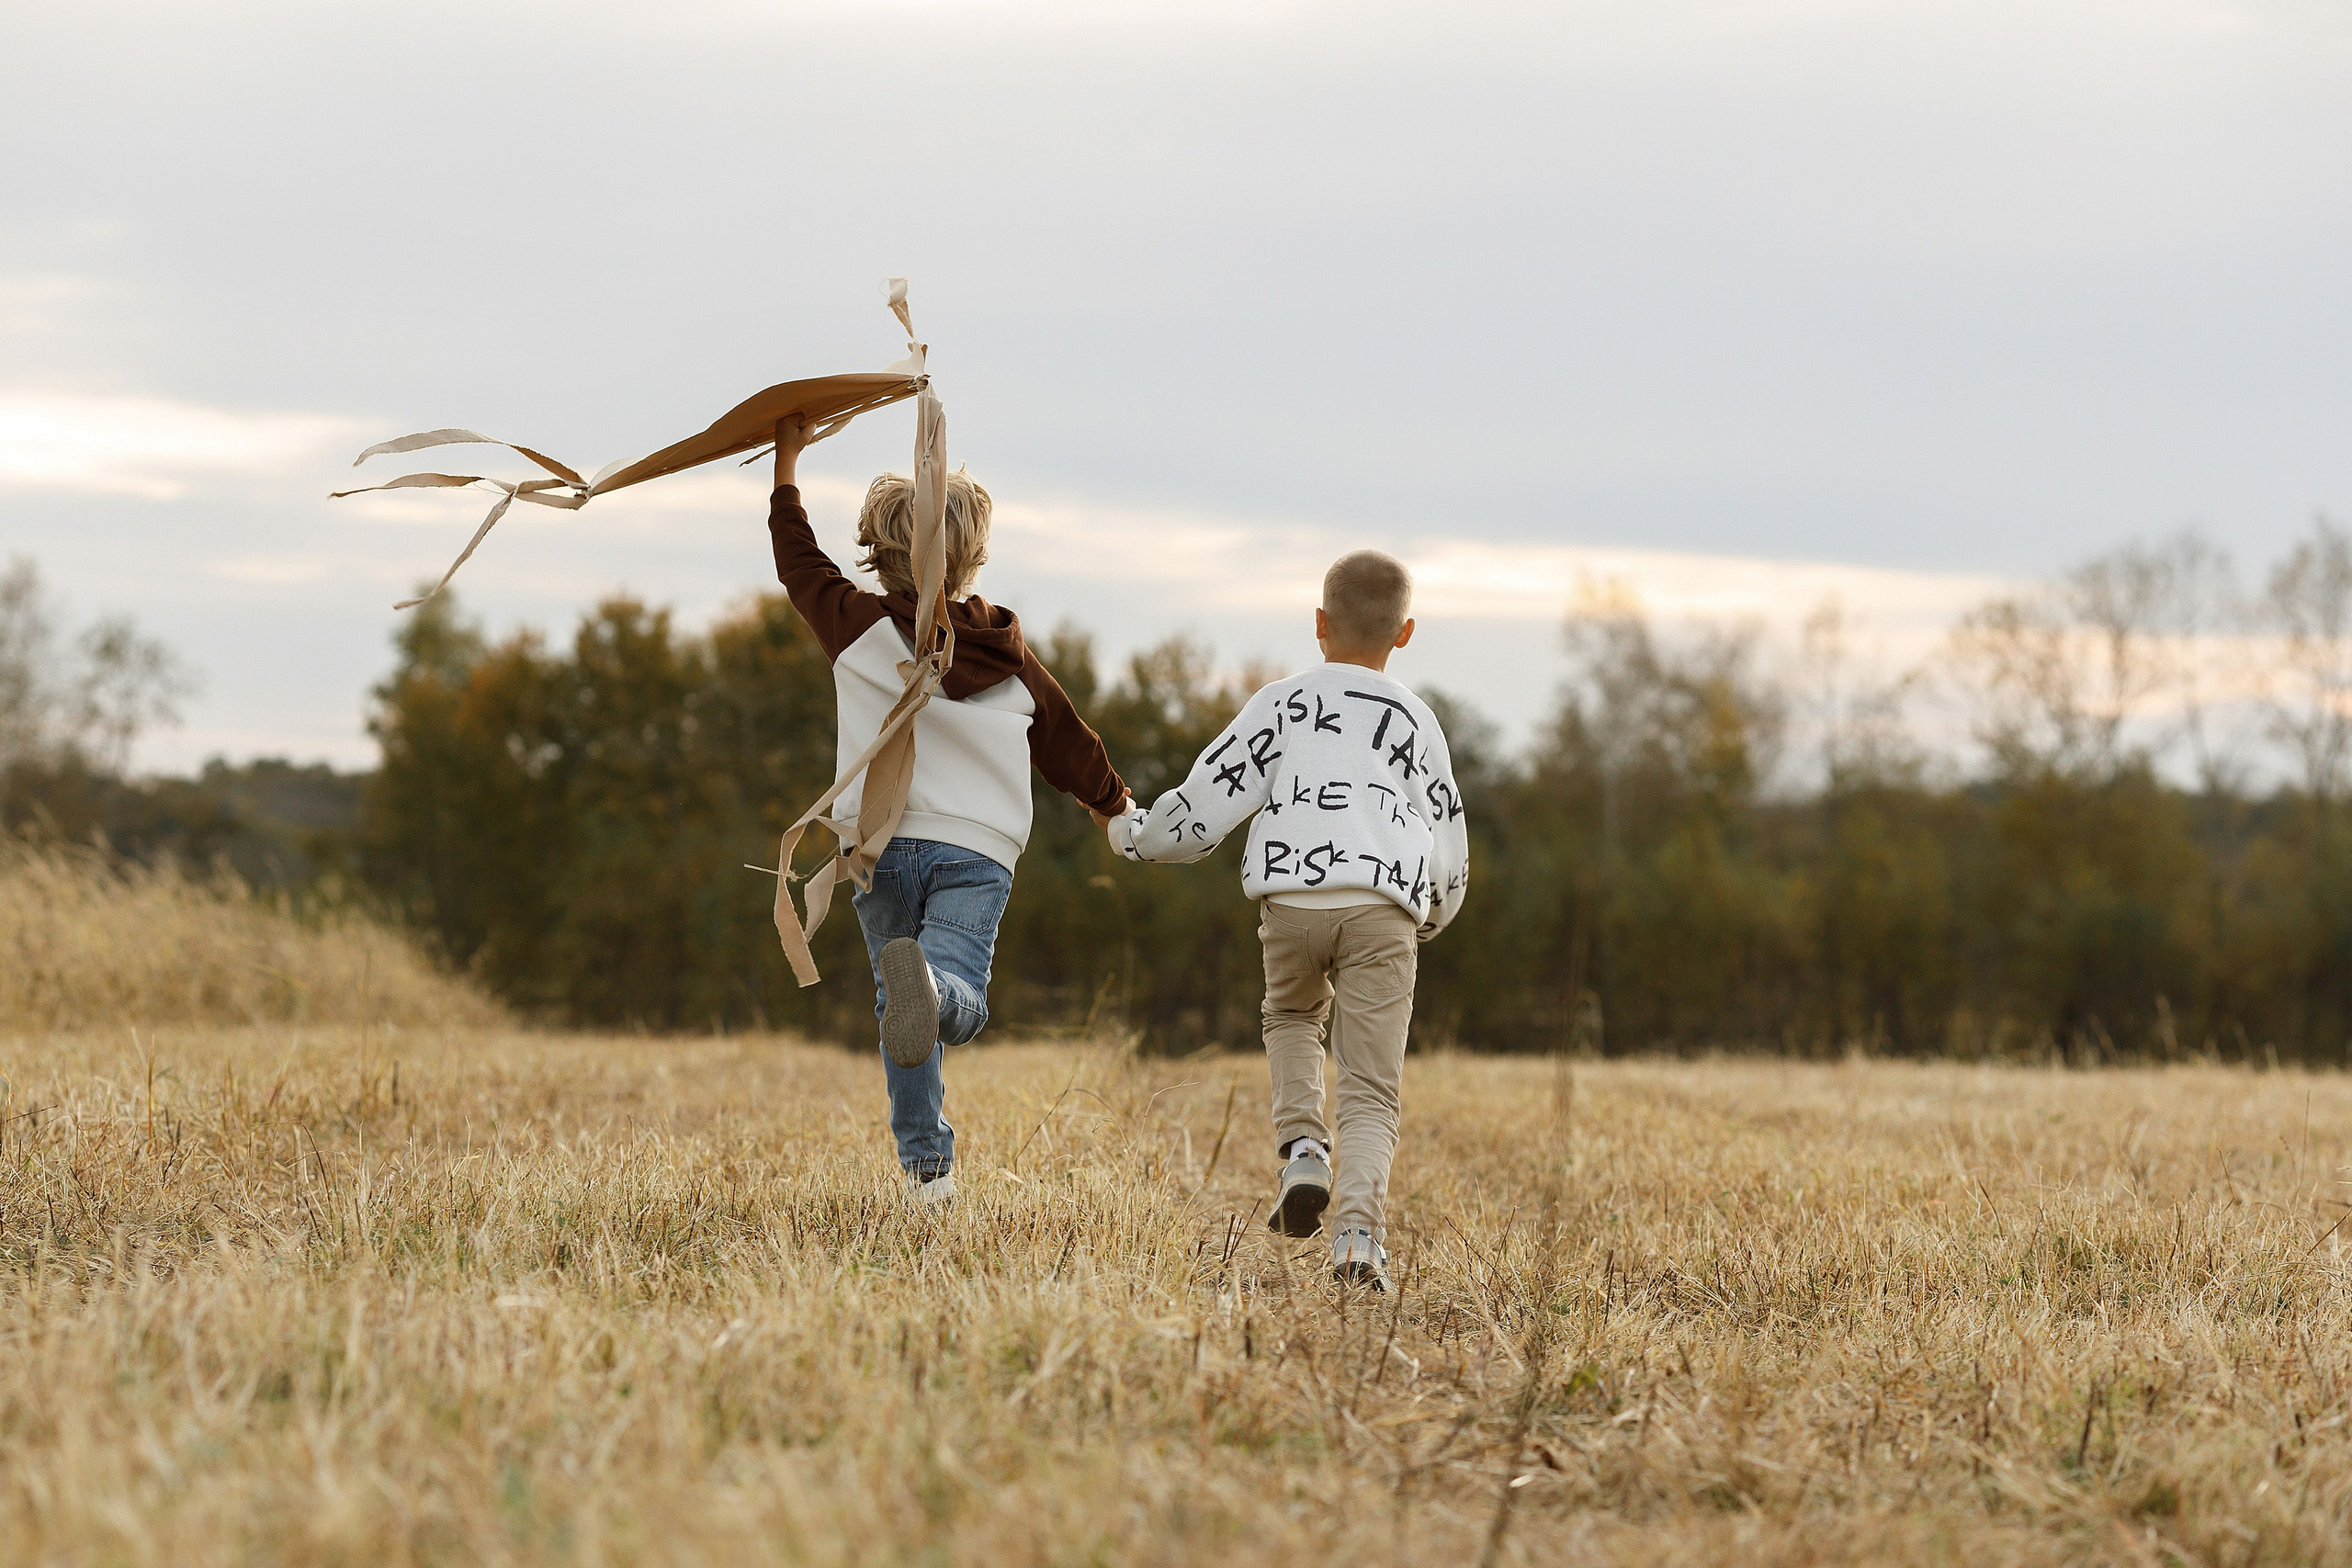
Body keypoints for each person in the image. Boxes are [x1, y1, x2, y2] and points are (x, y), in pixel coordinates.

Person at [767, 416, 1132, 1207]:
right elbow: (1068, 739)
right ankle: (935, 988)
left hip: (880, 846)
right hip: (976, 848)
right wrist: (1114, 804)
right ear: (973, 553)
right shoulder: (1007, 652)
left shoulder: (858, 626)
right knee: (947, 993)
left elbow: (797, 561)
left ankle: (928, 1173)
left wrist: (787, 462)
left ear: (874, 548)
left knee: (902, 1007)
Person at [1098, 550, 1467, 1290]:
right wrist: (1428, 914)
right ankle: (1358, 1241)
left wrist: (1135, 836)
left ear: (1321, 624)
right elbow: (1447, 835)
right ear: (1406, 633)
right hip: (1384, 910)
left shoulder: (1283, 704)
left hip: (1292, 904)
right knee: (1370, 1087)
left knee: (1293, 1017)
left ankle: (1303, 1148)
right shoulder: (1418, 723)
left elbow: (1210, 799)